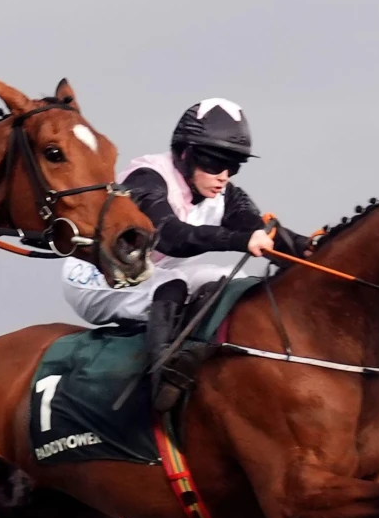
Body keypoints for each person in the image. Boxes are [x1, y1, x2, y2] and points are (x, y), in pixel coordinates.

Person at [62, 98, 310, 412]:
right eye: (213, 163)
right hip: (98, 277)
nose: (223, 176)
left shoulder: (224, 193)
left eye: (232, 166)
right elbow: (171, 237)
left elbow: (263, 233)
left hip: (151, 272)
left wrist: (313, 249)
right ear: (184, 153)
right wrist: (240, 239)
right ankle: (161, 381)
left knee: (233, 283)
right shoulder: (146, 179)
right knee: (173, 285)